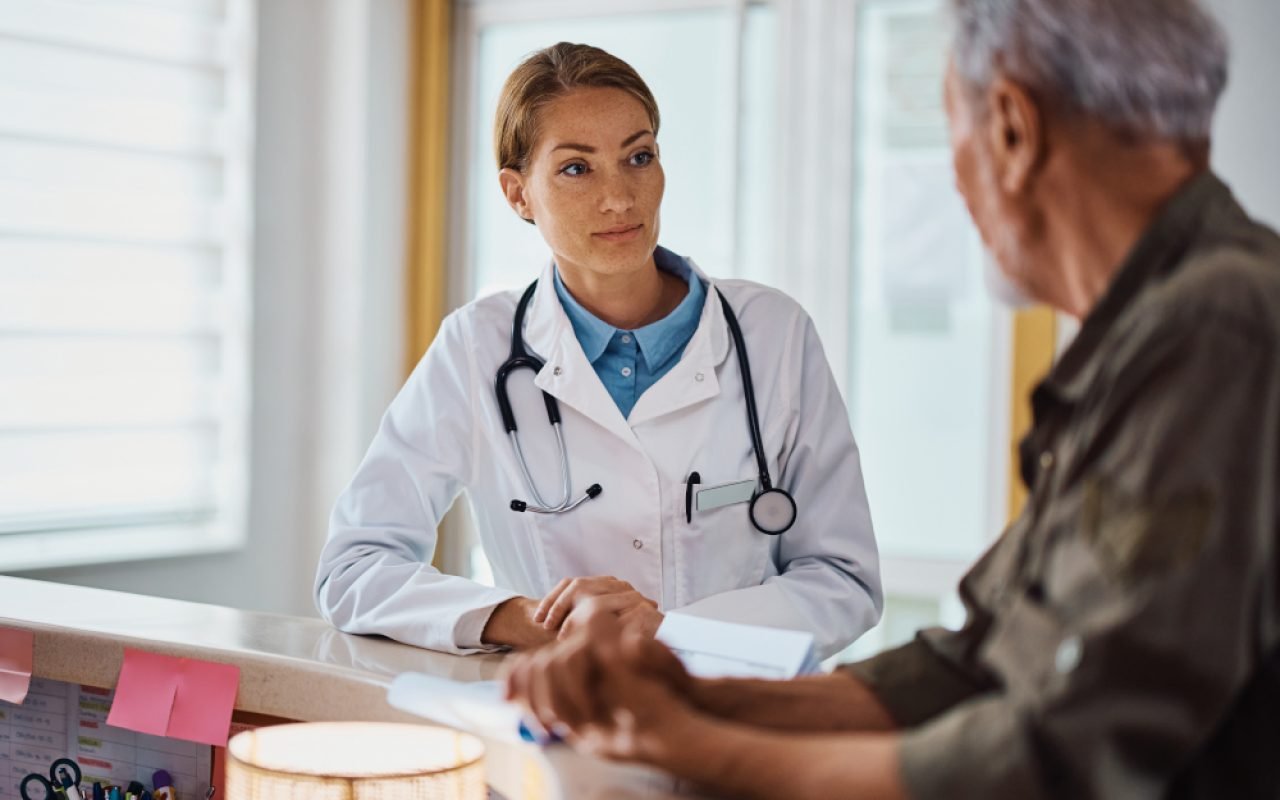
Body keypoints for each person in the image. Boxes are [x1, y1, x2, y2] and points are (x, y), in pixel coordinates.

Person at [504, 1, 1280, 797]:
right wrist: (694, 695)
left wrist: (686, 743)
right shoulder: (1148, 336)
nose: (956, 182)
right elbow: (975, 662)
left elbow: (1064, 752)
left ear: (1011, 130)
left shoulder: (1219, 329)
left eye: (955, 134)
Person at [314, 43, 882, 657]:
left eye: (639, 157)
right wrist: (524, 618)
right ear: (517, 195)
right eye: (576, 169)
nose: (620, 198)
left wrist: (669, 634)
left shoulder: (772, 331)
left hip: (742, 721)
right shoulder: (476, 347)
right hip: (556, 721)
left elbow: (844, 580)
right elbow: (354, 568)